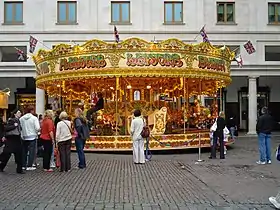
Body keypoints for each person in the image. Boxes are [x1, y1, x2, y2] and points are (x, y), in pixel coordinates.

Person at [20, 106, 40, 171]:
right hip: (32, 136)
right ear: (32, 111)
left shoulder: (21, 118)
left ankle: (23, 165)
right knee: (31, 152)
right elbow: (37, 128)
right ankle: (29, 165)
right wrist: (38, 131)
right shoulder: (34, 118)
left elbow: (20, 128)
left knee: (24, 152)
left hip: (24, 136)